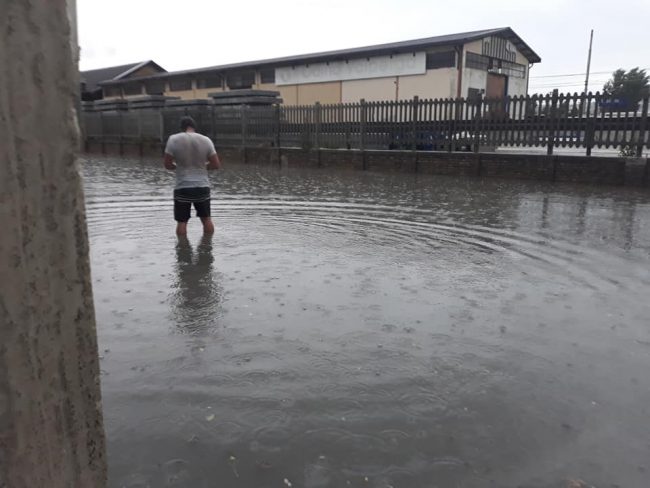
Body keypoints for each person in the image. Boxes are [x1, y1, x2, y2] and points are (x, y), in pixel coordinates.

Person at [164, 116, 221, 235]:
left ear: (181, 128)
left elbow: (167, 165)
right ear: (194, 127)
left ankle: (182, 246)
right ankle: (208, 245)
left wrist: (178, 167)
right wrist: (203, 167)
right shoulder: (206, 140)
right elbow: (216, 164)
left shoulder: (173, 139)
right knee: (206, 219)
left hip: (182, 186)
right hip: (202, 186)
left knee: (182, 222)